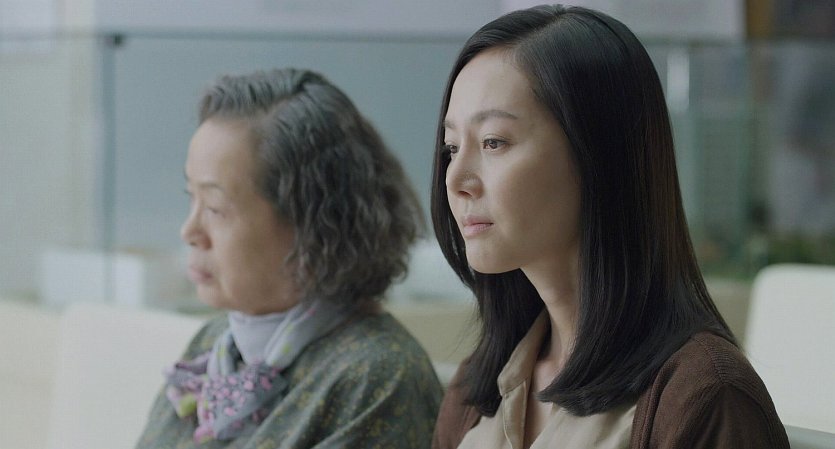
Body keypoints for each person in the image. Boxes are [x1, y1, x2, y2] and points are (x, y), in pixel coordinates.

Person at [430, 5, 789, 449]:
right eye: (451, 147)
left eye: (493, 142)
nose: (455, 179)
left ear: (598, 154)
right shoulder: (476, 388)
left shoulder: (706, 397)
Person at [136, 68, 442, 448]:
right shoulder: (214, 343)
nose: (189, 231)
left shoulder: (376, 378)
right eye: (191, 198)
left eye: (214, 208)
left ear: (314, 226)